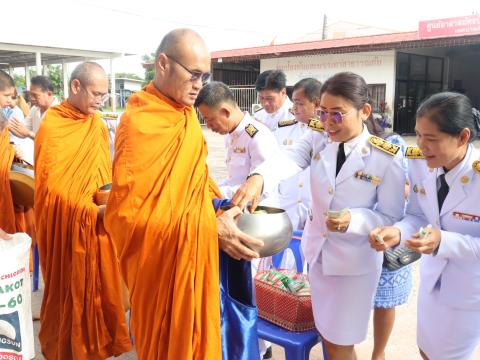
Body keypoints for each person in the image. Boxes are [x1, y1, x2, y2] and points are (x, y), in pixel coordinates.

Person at [104, 29, 263, 360]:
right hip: (160, 268)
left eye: (204, 76)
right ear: (162, 64)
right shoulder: (140, 122)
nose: (199, 84)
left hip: (193, 257)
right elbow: (130, 217)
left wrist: (220, 209)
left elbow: (194, 183)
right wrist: (206, 227)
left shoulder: (186, 116)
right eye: (193, 74)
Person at [232, 72, 407, 360]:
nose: (327, 122)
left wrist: (355, 219)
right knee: (328, 335)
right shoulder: (318, 135)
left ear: (364, 111)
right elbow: (289, 158)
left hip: (354, 265)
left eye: (337, 115)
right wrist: (258, 177)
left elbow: (390, 215)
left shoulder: (386, 158)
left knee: (340, 342)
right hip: (317, 255)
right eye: (323, 113)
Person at [369, 92, 480, 360]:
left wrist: (444, 241)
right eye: (418, 135)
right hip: (432, 281)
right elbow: (418, 215)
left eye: (431, 139)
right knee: (426, 350)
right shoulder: (421, 162)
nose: (421, 145)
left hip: (468, 289)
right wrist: (397, 232)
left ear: (463, 137)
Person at [34, 62, 132, 359]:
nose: (101, 100)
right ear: (75, 87)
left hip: (99, 228)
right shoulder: (53, 125)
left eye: (104, 95)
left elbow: (103, 172)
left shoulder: (97, 126)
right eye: (96, 93)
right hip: (70, 229)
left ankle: (97, 348)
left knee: (102, 294)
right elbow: (51, 191)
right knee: (70, 294)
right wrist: (90, 213)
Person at [365, 113, 412, 360]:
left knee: (385, 301)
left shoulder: (391, 144)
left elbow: (409, 187)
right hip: (354, 235)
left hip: (387, 235)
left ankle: (378, 353)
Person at [195, 81, 279, 200]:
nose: (208, 126)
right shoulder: (231, 135)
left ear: (225, 112)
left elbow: (262, 189)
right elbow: (233, 180)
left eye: (209, 119)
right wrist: (211, 189)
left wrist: (214, 194)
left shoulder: (257, 136)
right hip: (239, 209)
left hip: (257, 214)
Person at [273, 77, 321, 230]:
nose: (295, 107)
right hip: (287, 206)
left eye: (300, 103)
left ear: (317, 104)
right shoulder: (283, 129)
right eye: (294, 102)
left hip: (314, 208)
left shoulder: (328, 134)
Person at [9, 75, 59, 140]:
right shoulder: (35, 109)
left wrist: (29, 133)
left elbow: (51, 141)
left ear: (49, 94)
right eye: (31, 95)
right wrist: (7, 126)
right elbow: (23, 131)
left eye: (35, 95)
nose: (32, 98)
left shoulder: (59, 112)